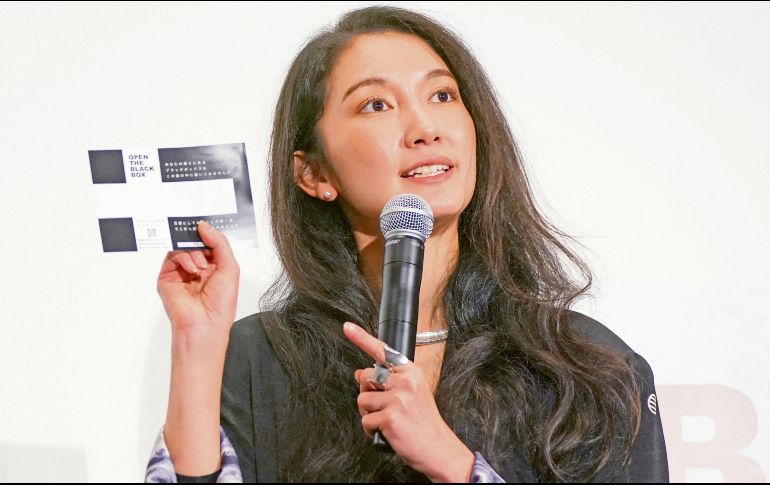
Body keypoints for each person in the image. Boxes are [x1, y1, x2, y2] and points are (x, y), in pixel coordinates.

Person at [145, 5, 669, 483]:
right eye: (376, 104)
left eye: (442, 96)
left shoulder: (589, 364)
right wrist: (197, 344)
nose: (424, 128)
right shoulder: (260, 360)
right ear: (314, 173)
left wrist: (452, 462)